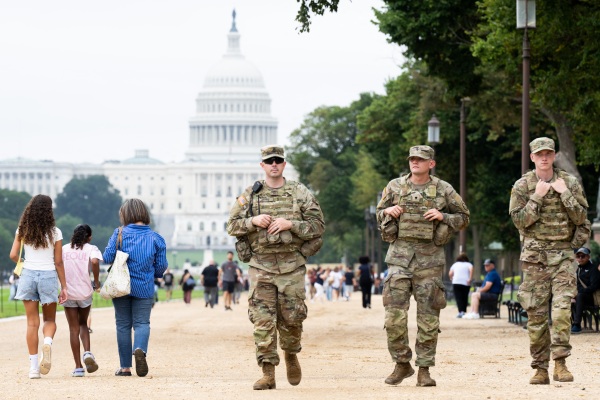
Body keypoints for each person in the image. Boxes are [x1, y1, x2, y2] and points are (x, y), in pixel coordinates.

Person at [227, 144, 325, 390]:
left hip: (291, 266)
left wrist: (289, 224)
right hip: (261, 266)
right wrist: (252, 221)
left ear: (283, 164)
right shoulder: (250, 195)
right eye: (269, 161)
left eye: (278, 161)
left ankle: (291, 354)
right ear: (262, 165)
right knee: (262, 321)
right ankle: (268, 372)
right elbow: (232, 226)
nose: (273, 165)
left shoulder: (299, 192)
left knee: (292, 319)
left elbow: (317, 226)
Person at [376, 145, 469, 387]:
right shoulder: (395, 186)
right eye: (412, 159)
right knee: (394, 317)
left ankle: (424, 370)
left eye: (421, 159)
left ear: (431, 163)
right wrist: (387, 211)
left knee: (428, 320)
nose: (415, 162)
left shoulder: (443, 189)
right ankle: (401, 363)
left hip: (430, 262)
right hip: (398, 259)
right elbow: (378, 214)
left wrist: (443, 217)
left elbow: (464, 217)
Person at [510, 137, 589, 384]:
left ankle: (560, 363)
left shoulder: (570, 183)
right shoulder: (523, 185)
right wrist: (537, 196)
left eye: (548, 153)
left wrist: (564, 193)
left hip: (564, 257)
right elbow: (519, 221)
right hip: (535, 260)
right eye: (539, 154)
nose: (544, 158)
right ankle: (540, 368)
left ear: (554, 156)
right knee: (536, 315)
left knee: (563, 311)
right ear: (532, 157)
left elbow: (581, 218)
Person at [103, 198, 168, 377]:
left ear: (125, 214)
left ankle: (125, 367)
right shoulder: (156, 238)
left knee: (123, 325)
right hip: (144, 286)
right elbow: (162, 266)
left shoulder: (119, 233)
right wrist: (151, 273)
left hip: (120, 285)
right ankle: (139, 349)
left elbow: (107, 257)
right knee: (142, 323)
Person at [9, 194, 68, 379]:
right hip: (49, 275)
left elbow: (13, 255)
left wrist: (26, 262)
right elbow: (58, 262)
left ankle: (34, 368)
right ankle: (48, 343)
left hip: (28, 274)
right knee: (49, 320)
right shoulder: (55, 232)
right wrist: (64, 287)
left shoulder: (22, 229)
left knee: (32, 323)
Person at [62, 224, 102, 377]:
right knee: (83, 323)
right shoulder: (91, 248)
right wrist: (96, 281)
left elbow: (57, 264)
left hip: (69, 292)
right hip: (85, 292)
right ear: (89, 237)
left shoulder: (64, 249)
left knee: (73, 329)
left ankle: (78, 367)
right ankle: (87, 352)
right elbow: (94, 262)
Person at [571, 247, 599, 334]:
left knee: (580, 296)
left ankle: (577, 324)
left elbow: (594, 286)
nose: (580, 258)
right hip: (579, 296)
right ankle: (569, 323)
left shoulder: (593, 269)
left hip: (591, 298)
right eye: (578, 256)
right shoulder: (578, 269)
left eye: (582, 256)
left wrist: (578, 293)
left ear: (588, 257)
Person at [448, 253, 473, 318]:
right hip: (465, 283)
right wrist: (470, 279)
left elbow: (450, 273)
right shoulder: (469, 264)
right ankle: (464, 311)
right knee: (465, 297)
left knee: (458, 297)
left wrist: (451, 278)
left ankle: (460, 312)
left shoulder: (455, 264)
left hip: (456, 282)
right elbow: (471, 271)